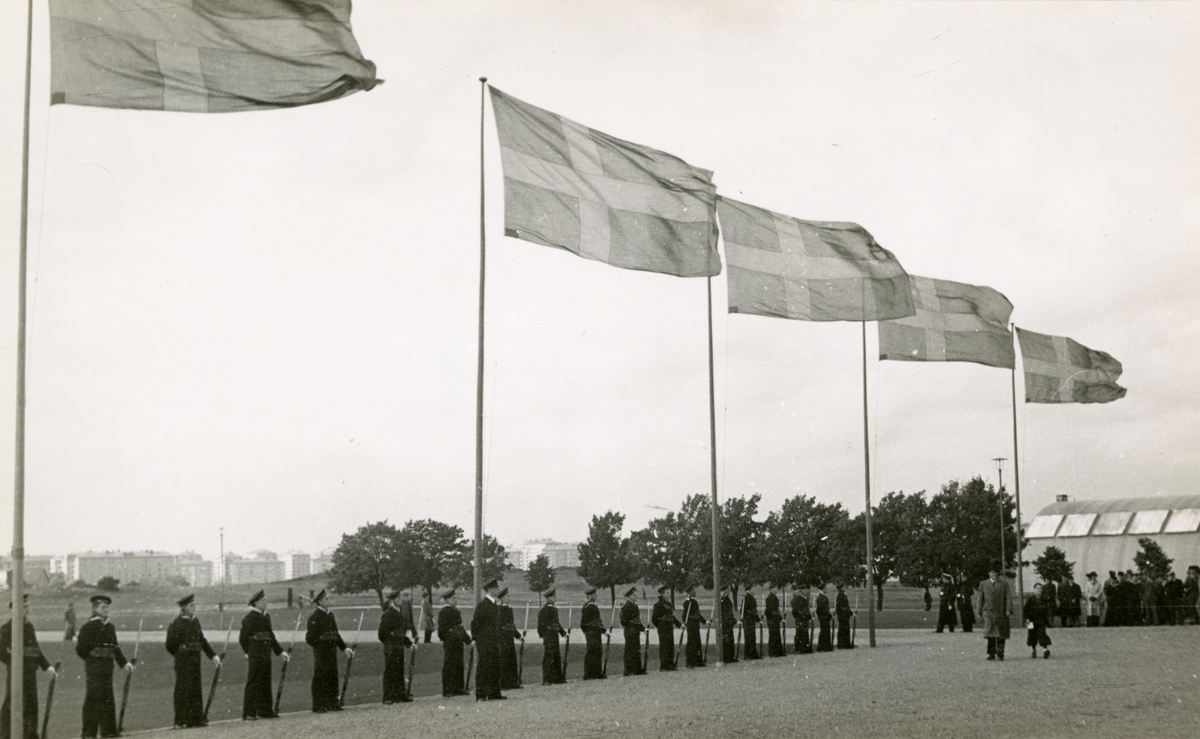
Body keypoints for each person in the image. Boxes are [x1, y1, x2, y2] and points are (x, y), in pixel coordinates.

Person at [76, 594, 133, 738]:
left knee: (108, 698)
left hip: (107, 668)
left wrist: (124, 663)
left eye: (107, 607)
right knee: (94, 699)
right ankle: (89, 734)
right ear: (95, 609)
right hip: (94, 668)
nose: (106, 609)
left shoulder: (110, 627)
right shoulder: (88, 627)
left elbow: (115, 648)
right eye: (103, 607)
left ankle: (109, 732)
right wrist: (93, 659)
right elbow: (81, 649)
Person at [2, 595, 55, 739]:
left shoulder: (29, 626)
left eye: (28, 606)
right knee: (13, 702)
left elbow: (35, 649)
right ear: (16, 609)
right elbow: (1, 651)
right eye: (25, 606)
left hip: (30, 671)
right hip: (16, 673)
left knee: (31, 703)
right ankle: (6, 734)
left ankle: (30, 735)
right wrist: (13, 663)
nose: (28, 609)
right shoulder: (7, 628)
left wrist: (47, 666)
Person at [165, 594, 219, 728]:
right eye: (191, 605)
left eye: (194, 605)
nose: (194, 607)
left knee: (195, 687)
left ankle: (196, 719)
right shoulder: (176, 624)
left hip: (195, 658)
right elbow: (170, 645)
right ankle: (180, 720)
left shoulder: (195, 621)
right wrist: (181, 654)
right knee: (183, 688)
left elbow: (202, 640)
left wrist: (213, 656)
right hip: (183, 660)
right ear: (183, 608)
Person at [239, 590, 287, 720]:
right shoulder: (249, 618)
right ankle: (249, 712)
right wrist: (249, 653)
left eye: (266, 600)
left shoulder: (266, 617)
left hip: (266, 654)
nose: (266, 602)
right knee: (253, 682)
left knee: (265, 682)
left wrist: (280, 651)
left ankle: (265, 710)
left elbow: (270, 636)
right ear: (256, 603)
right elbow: (243, 639)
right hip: (255, 655)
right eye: (263, 601)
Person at [305, 589, 351, 713]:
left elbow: (335, 634)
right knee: (320, 677)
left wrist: (344, 647)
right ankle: (318, 704)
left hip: (331, 651)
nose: (328, 601)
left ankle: (332, 702)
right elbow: (310, 638)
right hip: (321, 652)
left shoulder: (330, 615)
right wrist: (321, 646)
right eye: (326, 599)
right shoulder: (314, 617)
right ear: (319, 602)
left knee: (332, 676)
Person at [378, 589, 413, 704]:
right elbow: (382, 634)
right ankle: (388, 696)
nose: (401, 600)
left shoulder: (398, 612)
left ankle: (399, 694)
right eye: (398, 598)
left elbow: (400, 633)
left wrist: (409, 643)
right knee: (390, 670)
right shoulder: (388, 614)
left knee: (399, 669)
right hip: (391, 647)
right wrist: (390, 643)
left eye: (401, 598)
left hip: (398, 646)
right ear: (392, 601)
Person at [470, 579, 504, 701]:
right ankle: (481, 693)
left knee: (494, 666)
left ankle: (494, 692)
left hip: (493, 641)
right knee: (484, 666)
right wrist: (475, 638)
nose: (498, 589)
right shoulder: (483, 605)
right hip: (485, 641)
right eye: (495, 587)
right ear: (489, 589)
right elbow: (475, 623)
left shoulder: (494, 604)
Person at [436, 589, 470, 697]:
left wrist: (467, 640)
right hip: (451, 641)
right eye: (453, 598)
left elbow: (460, 628)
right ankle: (448, 689)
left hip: (457, 641)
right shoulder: (444, 612)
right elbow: (442, 630)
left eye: (456, 598)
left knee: (458, 664)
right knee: (450, 664)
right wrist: (449, 637)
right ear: (447, 600)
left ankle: (458, 688)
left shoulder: (455, 611)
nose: (455, 600)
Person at [977, 565, 1012, 661]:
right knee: (990, 632)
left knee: (1001, 633)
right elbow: (980, 599)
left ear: (998, 573)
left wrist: (1008, 609)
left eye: (995, 572)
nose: (994, 574)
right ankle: (991, 653)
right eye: (992, 572)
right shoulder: (983, 584)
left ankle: (1000, 654)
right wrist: (978, 612)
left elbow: (1008, 597)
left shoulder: (1004, 584)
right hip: (988, 611)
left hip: (1000, 611)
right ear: (989, 573)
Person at [650, 586, 681, 671]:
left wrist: (679, 624)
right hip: (663, 628)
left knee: (670, 645)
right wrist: (660, 626)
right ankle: (664, 665)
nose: (669, 594)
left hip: (669, 627)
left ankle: (670, 664)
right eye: (667, 593)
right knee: (664, 646)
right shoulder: (658, 605)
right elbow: (654, 618)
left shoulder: (668, 604)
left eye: (669, 593)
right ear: (662, 594)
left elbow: (671, 616)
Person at [496, 588, 522, 689]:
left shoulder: (509, 609)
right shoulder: (499, 609)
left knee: (511, 659)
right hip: (503, 638)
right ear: (502, 598)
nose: (509, 598)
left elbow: (511, 625)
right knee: (504, 660)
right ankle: (504, 683)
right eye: (507, 596)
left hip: (509, 637)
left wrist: (518, 636)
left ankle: (512, 682)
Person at [579, 587, 607, 679]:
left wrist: (586, 631)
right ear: (590, 596)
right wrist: (604, 630)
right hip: (594, 631)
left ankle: (591, 673)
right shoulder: (592, 607)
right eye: (595, 594)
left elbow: (583, 624)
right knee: (595, 651)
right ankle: (594, 673)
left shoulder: (586, 606)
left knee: (592, 651)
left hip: (590, 632)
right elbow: (597, 621)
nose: (596, 595)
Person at [619, 587, 647, 676]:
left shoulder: (634, 606)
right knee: (630, 650)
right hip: (630, 630)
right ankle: (629, 670)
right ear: (629, 596)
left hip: (635, 630)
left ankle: (637, 669)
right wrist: (641, 628)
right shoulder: (626, 606)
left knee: (636, 649)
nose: (636, 596)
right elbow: (624, 621)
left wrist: (642, 628)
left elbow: (637, 620)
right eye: (634, 595)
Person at [1024, 584, 1052, 659]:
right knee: (1032, 635)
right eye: (1037, 588)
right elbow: (1026, 610)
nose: (1039, 590)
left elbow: (1046, 610)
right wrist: (1026, 618)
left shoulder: (1044, 599)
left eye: (1040, 588)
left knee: (1042, 633)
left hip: (1041, 620)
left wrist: (1047, 620)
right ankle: (1033, 649)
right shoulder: (1030, 599)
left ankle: (1045, 649)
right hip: (1031, 620)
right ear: (1034, 589)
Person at [681, 585, 706, 668]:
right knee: (691, 642)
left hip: (696, 624)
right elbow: (684, 615)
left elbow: (697, 614)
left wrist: (704, 621)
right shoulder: (687, 602)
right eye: (693, 591)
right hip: (691, 624)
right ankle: (689, 662)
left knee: (697, 642)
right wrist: (685, 623)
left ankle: (698, 661)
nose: (695, 592)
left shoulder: (694, 602)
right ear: (689, 592)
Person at [791, 587, 813, 654]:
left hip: (804, 618)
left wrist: (809, 616)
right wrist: (800, 616)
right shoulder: (797, 599)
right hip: (800, 619)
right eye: (804, 589)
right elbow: (795, 611)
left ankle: (805, 648)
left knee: (805, 633)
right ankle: (799, 649)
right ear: (801, 590)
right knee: (800, 633)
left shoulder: (804, 599)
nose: (806, 591)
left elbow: (806, 610)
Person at [741, 585, 761, 660]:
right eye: (753, 588)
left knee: (752, 637)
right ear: (748, 590)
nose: (754, 590)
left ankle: (753, 653)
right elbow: (743, 610)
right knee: (749, 637)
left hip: (751, 620)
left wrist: (758, 620)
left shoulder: (752, 598)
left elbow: (754, 611)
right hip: (748, 621)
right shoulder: (746, 598)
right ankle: (748, 654)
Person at [719, 585, 738, 663]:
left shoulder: (726, 599)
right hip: (726, 623)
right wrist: (729, 620)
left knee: (730, 639)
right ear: (725, 590)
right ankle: (727, 657)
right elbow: (724, 613)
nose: (729, 591)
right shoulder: (723, 599)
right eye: (728, 589)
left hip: (729, 622)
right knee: (727, 639)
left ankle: (730, 656)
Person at [764, 587, 785, 657]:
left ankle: (777, 651)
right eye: (775, 588)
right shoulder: (770, 597)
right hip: (772, 619)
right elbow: (769, 610)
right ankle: (773, 652)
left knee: (776, 635)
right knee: (773, 635)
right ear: (772, 589)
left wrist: (780, 618)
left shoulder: (773, 597)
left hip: (775, 619)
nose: (777, 589)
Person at [815, 585, 833, 653]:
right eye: (825, 588)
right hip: (824, 616)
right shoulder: (821, 597)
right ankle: (823, 646)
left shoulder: (822, 596)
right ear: (823, 588)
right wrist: (828, 615)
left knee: (825, 631)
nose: (826, 589)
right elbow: (822, 609)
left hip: (824, 616)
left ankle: (824, 646)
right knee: (824, 631)